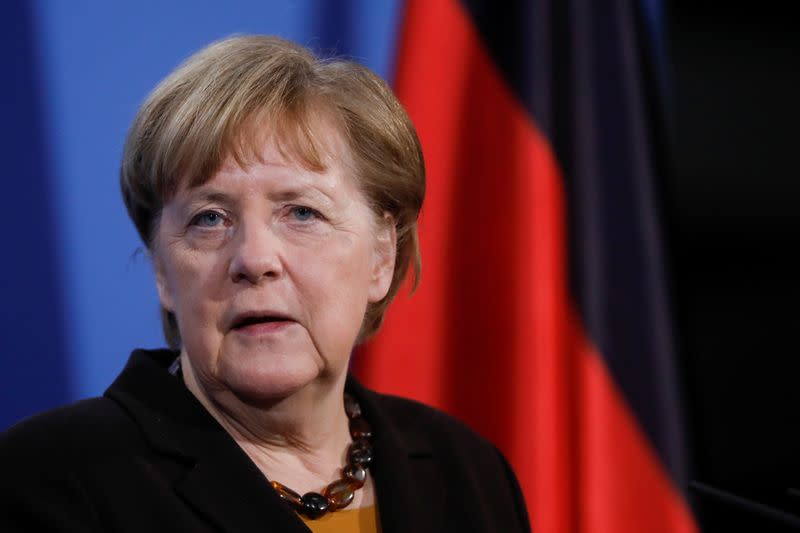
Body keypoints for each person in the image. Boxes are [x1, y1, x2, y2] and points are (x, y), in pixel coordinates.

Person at [0, 35, 531, 533]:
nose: (254, 259)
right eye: (210, 218)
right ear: (162, 270)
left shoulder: (468, 472)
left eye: (301, 212)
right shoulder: (48, 479)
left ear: (381, 256)